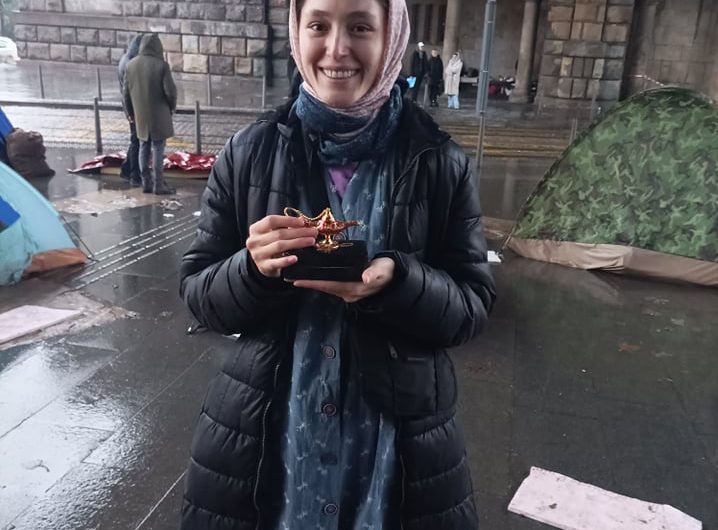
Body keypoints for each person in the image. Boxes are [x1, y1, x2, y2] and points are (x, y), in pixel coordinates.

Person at [179, 0, 496, 528]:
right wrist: (252, 270)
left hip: (397, 457)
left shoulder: (440, 162)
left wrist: (400, 283)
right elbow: (199, 295)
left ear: (391, 37)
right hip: (265, 446)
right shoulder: (248, 152)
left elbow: (472, 306)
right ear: (296, 32)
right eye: (319, 25)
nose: (337, 48)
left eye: (360, 27)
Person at [123, 33, 177, 195]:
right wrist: (171, 107)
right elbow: (170, 91)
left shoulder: (131, 65)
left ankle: (146, 182)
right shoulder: (161, 66)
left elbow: (126, 93)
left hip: (140, 114)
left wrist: (130, 112)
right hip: (159, 113)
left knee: (143, 146)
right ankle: (158, 184)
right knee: (158, 148)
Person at [118, 34, 142, 186]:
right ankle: (133, 173)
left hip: (131, 107)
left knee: (136, 139)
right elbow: (129, 90)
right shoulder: (130, 64)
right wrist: (131, 112)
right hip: (134, 108)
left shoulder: (125, 59)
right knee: (136, 140)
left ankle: (127, 168)